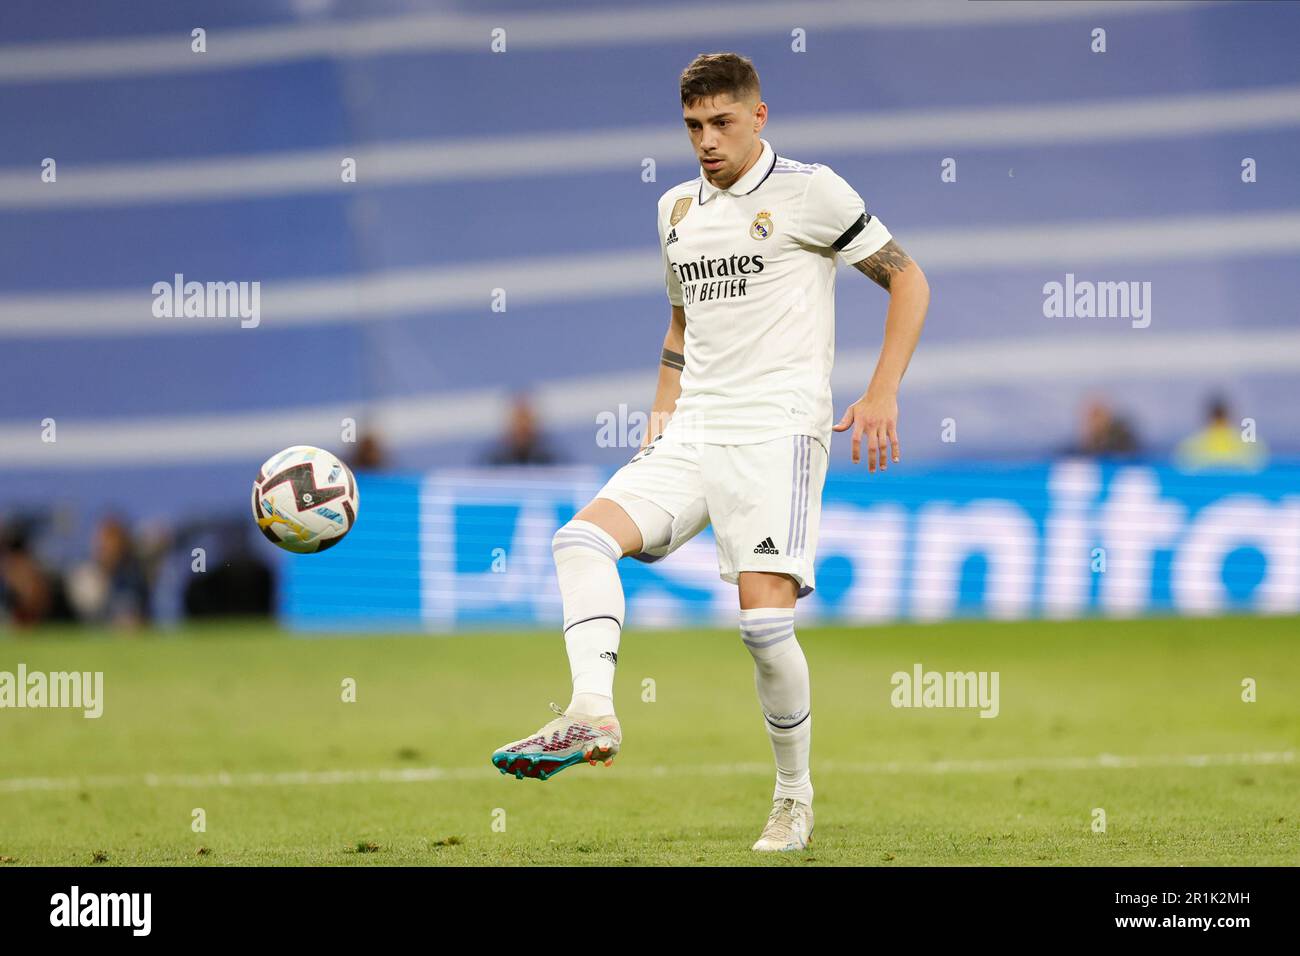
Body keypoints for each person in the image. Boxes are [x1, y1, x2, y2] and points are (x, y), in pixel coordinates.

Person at [490, 53, 929, 852]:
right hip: (695, 426)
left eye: (722, 123)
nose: (707, 141)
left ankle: (793, 797)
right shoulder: (675, 210)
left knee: (763, 630)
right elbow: (681, 326)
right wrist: (660, 414)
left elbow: (909, 281)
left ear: (760, 117)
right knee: (580, 539)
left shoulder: (810, 191)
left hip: (780, 431)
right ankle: (591, 712)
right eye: (693, 126)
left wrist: (883, 391)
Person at [1174, 395, 1267, 471]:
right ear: (1230, 415)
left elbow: (1183, 468)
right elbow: (1257, 468)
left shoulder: (1191, 444)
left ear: (1208, 416)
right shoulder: (1249, 443)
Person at [481, 394, 560, 466]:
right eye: (518, 421)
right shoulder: (493, 464)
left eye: (526, 420)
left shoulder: (551, 463)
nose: (522, 426)